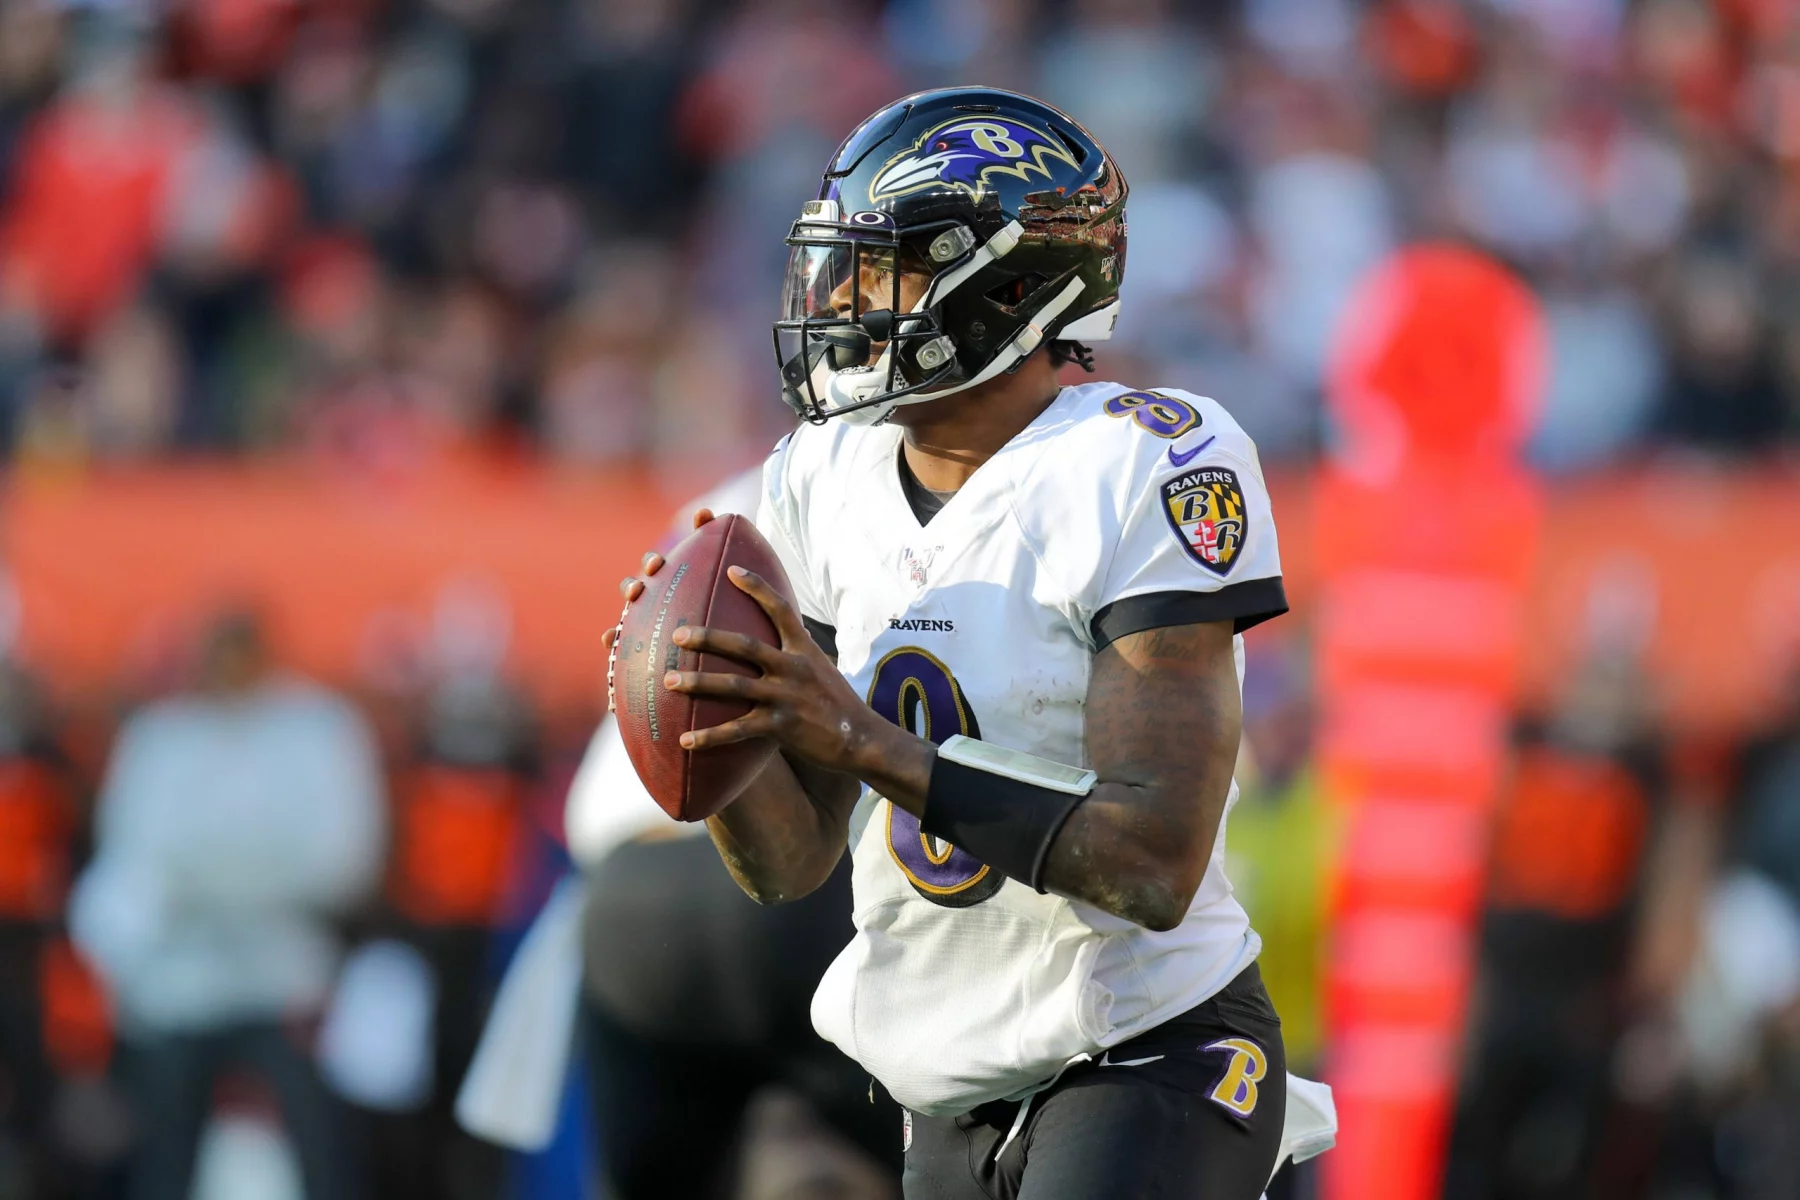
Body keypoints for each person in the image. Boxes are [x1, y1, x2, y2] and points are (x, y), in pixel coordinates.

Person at [606, 88, 1332, 1199]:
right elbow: (790, 864)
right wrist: (707, 721)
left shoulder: (1149, 462)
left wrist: (862, 743)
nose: (844, 297)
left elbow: (1150, 864)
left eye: (886, 264)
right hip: (939, 1080)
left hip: (1145, 1049)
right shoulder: (824, 472)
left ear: (1006, 289)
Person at [70, 609, 386, 1200]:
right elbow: (135, 862)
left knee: (323, 1158)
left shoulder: (317, 729)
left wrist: (202, 878)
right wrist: (256, 873)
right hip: (176, 988)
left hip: (288, 981)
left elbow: (343, 862)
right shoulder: (161, 737)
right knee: (162, 1161)